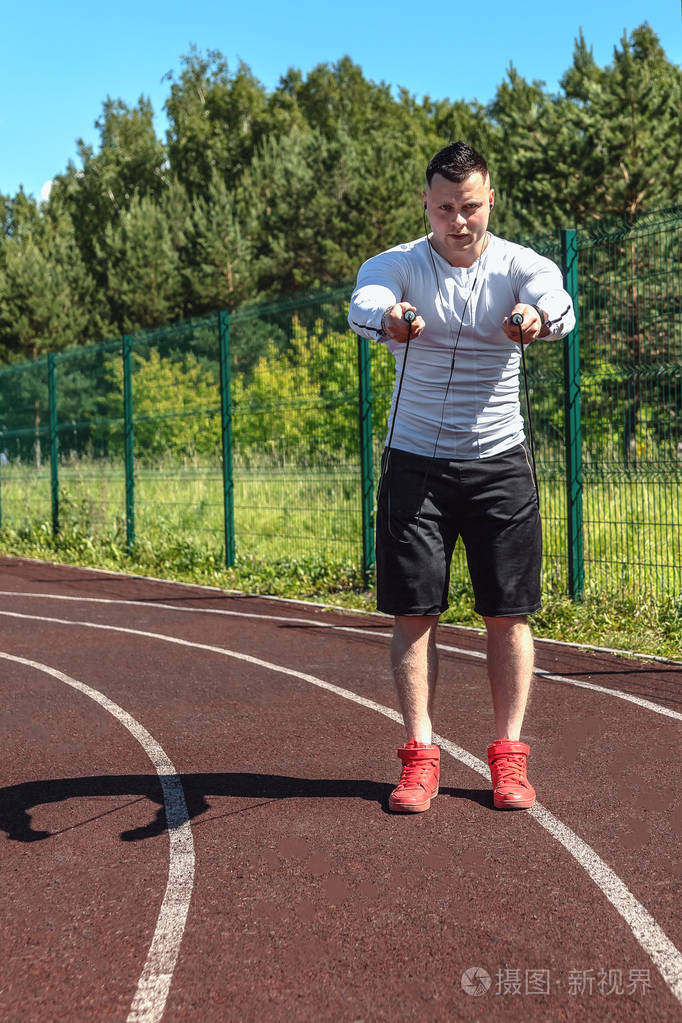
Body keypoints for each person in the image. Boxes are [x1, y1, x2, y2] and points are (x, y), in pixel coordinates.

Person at [348, 141, 575, 813]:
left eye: (470, 206)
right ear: (426, 203)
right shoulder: (397, 265)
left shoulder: (520, 266)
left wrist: (536, 318)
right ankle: (420, 753)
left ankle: (508, 755)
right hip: (415, 461)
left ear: (490, 201)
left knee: (509, 613)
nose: (459, 220)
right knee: (414, 612)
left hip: (500, 461)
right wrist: (389, 317)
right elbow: (363, 302)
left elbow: (560, 304)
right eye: (445, 207)